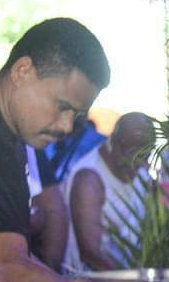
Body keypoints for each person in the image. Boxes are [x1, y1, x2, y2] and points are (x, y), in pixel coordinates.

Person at [0, 18, 162, 282]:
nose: (67, 126)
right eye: (61, 106)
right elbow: (7, 278)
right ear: (23, 71)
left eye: (77, 114)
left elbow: (10, 259)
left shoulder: (12, 141)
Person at [63, 111, 154, 272]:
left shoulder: (142, 173)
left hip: (128, 279)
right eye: (130, 150)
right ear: (113, 141)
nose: (137, 160)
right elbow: (91, 254)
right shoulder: (88, 179)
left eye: (143, 153)